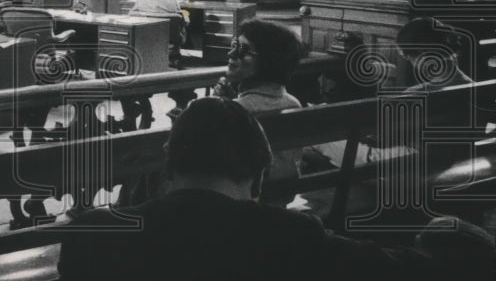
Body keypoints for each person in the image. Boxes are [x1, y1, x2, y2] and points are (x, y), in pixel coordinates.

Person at [58, 97, 494, 281]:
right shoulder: (290, 234)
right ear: (260, 169)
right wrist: (450, 236)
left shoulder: (93, 233)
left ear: (169, 164)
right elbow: (397, 271)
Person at [213, 18, 302, 205]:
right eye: (234, 46)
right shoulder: (293, 103)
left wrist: (217, 105)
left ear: (269, 61)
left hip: (237, 206)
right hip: (280, 199)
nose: (231, 53)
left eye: (243, 50)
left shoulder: (230, 110)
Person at [396, 16, 473, 92]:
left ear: (422, 52)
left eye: (409, 58)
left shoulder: (415, 93)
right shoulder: (474, 86)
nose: (414, 66)